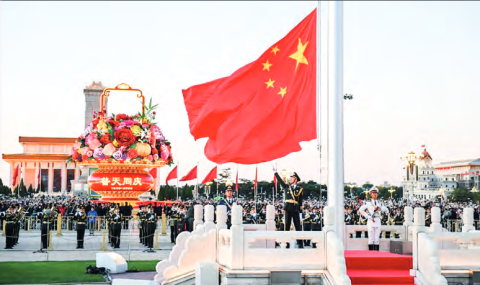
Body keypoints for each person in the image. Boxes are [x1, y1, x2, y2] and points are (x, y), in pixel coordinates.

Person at [274, 170, 304, 248]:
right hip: (287, 209)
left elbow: (300, 202)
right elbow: (280, 181)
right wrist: (276, 173)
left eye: (292, 178)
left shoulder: (300, 189)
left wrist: (301, 213)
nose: (290, 179)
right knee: (286, 227)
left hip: (295, 209)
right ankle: (286, 243)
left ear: (295, 180)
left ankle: (300, 243)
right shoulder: (287, 187)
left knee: (298, 227)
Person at [359, 186, 388, 251]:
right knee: (371, 238)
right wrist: (367, 216)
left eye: (376, 193)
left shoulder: (380, 203)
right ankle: (371, 254)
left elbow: (386, 209)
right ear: (371, 194)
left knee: (377, 238)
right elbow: (360, 210)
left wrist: (380, 208)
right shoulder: (368, 203)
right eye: (373, 193)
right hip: (371, 220)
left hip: (378, 220)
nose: (375, 194)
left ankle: (376, 254)